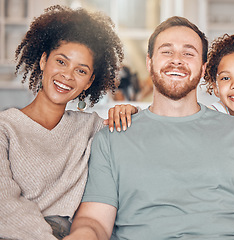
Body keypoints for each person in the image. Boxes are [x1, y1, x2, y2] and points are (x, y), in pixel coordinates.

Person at [65, 16, 234, 240]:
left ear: (203, 66)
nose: (177, 59)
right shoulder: (111, 137)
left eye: (188, 53)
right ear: (149, 62)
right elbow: (94, 222)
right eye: (167, 51)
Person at [0, 5, 136, 240]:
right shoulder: (5, 128)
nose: (67, 76)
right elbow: (4, 203)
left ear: (89, 82)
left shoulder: (91, 127)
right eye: (61, 62)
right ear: (43, 61)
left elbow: (140, 136)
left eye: (81, 71)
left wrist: (130, 110)